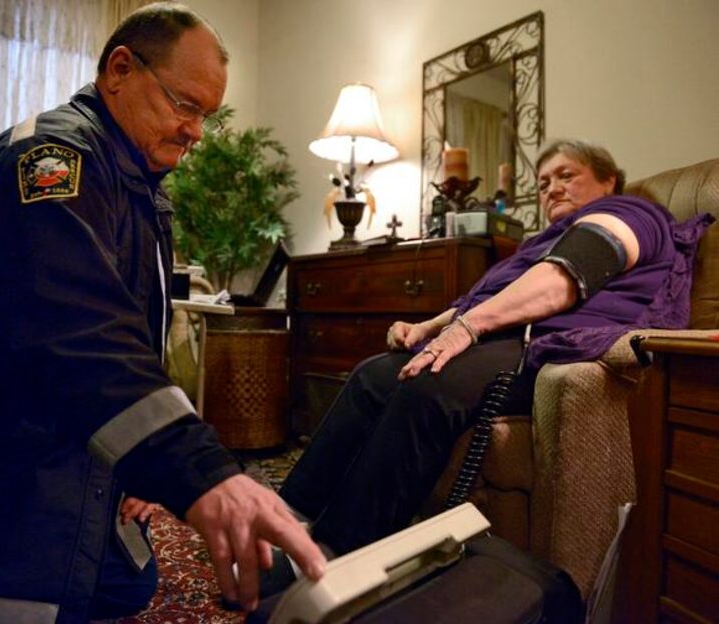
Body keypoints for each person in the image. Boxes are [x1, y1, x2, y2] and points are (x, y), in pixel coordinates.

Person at [0, 3, 324, 623]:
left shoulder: (134, 185)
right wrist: (200, 474)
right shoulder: (49, 162)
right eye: (185, 104)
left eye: (208, 116)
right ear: (120, 69)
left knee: (129, 583)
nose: (196, 132)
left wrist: (138, 460)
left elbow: (132, 343)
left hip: (53, 443)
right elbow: (78, 333)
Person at [263, 139, 714, 591]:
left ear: (608, 180)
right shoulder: (538, 243)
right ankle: (284, 525)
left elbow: (564, 278)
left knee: (431, 383)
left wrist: (465, 330)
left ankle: (331, 558)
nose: (552, 188)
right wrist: (426, 328)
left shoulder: (631, 214)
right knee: (372, 375)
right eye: (542, 183)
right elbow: (479, 300)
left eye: (567, 175)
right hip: (500, 337)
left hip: (556, 345)